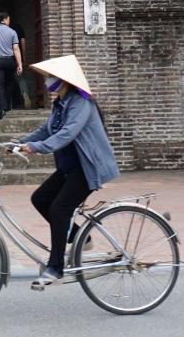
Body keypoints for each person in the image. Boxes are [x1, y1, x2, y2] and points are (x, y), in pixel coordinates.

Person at [7, 54, 120, 289]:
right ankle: (80, 236)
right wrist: (18, 142)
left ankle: (55, 268)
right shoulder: (60, 104)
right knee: (41, 199)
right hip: (70, 166)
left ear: (65, 80)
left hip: (87, 168)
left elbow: (66, 134)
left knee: (59, 209)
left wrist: (37, 148)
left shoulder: (81, 103)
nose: (49, 81)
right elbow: (45, 130)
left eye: (52, 77)